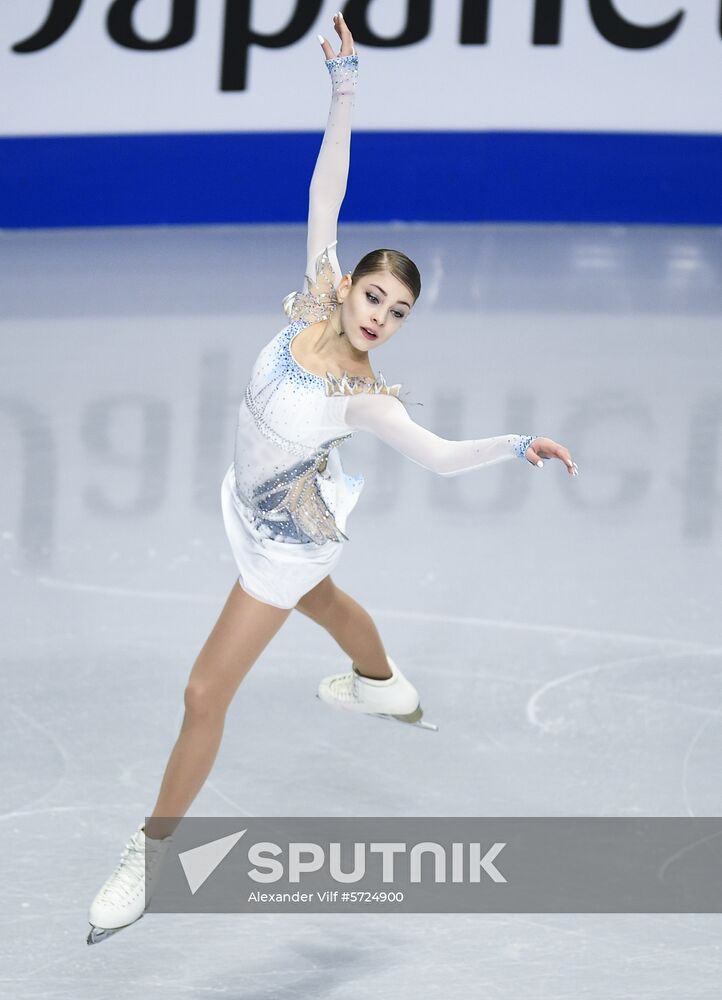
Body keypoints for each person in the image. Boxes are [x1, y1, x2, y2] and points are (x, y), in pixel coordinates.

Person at [87, 12, 578, 944]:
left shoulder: (367, 398)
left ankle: (151, 858)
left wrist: (518, 443)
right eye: (374, 296)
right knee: (327, 600)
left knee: (203, 693)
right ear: (347, 285)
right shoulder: (314, 290)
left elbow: (435, 457)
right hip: (261, 504)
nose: (381, 318)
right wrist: (346, 87)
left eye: (399, 313)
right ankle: (381, 681)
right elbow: (328, 185)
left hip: (281, 538)